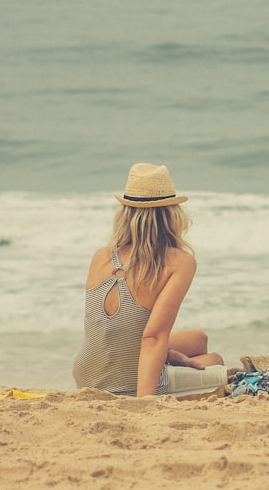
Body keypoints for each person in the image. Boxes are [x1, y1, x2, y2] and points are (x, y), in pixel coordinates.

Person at [72, 163, 223, 397]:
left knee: (199, 339)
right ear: (171, 213)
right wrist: (144, 403)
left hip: (86, 373)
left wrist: (169, 354)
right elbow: (153, 337)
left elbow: (114, 328)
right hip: (128, 382)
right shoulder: (180, 262)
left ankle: (167, 358)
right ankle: (160, 370)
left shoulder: (101, 256)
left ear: (125, 212)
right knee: (214, 360)